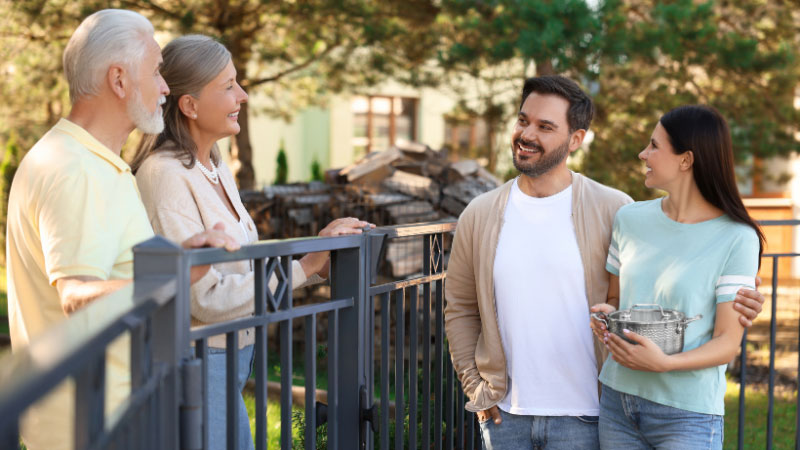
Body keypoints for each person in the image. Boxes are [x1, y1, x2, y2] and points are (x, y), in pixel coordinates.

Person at [444, 76, 766, 450]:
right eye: (523, 120)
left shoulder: (613, 208)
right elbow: (461, 309)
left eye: (545, 126)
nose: (527, 134)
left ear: (575, 139)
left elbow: (676, 282)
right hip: (508, 416)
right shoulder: (480, 214)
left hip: (590, 413)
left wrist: (744, 299)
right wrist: (478, 390)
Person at [5, 11, 242, 450]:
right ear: (119, 80)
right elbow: (76, 295)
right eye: (156, 72)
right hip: (94, 426)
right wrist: (171, 275)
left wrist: (177, 256)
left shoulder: (96, 162)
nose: (166, 88)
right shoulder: (74, 169)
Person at [130, 34, 373, 450]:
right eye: (228, 86)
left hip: (230, 359)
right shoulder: (164, 176)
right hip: (197, 362)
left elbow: (240, 262)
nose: (241, 96)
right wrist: (305, 266)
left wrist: (316, 252)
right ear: (188, 105)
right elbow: (201, 296)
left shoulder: (214, 165)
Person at [590, 105, 762, 449]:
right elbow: (615, 301)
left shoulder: (737, 237)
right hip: (617, 402)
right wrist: (605, 317)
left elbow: (727, 342)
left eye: (654, 145)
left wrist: (665, 363)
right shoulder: (629, 219)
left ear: (686, 160)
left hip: (688, 415)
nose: (643, 154)